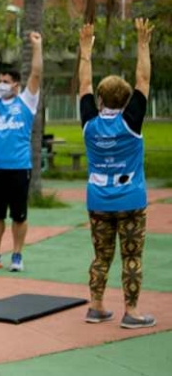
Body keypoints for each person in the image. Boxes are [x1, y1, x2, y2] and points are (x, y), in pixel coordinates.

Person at [78, 20, 155, 329]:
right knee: (132, 257)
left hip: (98, 202)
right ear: (126, 101)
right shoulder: (132, 121)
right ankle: (131, 312)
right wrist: (142, 42)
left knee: (101, 256)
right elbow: (143, 79)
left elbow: (83, 86)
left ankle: (96, 307)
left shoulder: (89, 124)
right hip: (131, 201)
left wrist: (85, 50)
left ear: (99, 100)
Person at [0, 33, 42, 272]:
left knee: (19, 216)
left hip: (19, 169)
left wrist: (37, 46)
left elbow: (36, 74)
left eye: (5, 81)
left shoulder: (27, 102)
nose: (0, 84)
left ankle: (17, 255)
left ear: (16, 85)